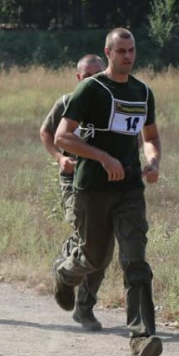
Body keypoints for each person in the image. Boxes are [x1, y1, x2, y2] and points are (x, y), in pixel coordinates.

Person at [53, 28, 163, 356]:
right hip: (93, 188)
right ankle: (65, 273)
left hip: (129, 188)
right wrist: (102, 157)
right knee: (95, 259)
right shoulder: (91, 88)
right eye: (121, 51)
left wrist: (153, 159)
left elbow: (150, 136)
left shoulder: (142, 92)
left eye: (132, 51)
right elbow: (62, 137)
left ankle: (141, 338)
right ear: (108, 52)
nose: (127, 57)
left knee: (135, 261)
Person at [40, 54, 107, 332]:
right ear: (78, 78)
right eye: (86, 75)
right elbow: (46, 132)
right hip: (74, 180)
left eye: (97, 74)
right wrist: (59, 158)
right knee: (85, 233)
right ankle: (65, 267)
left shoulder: (112, 103)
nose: (92, 80)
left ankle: (84, 307)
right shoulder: (66, 103)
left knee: (103, 247)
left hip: (106, 181)